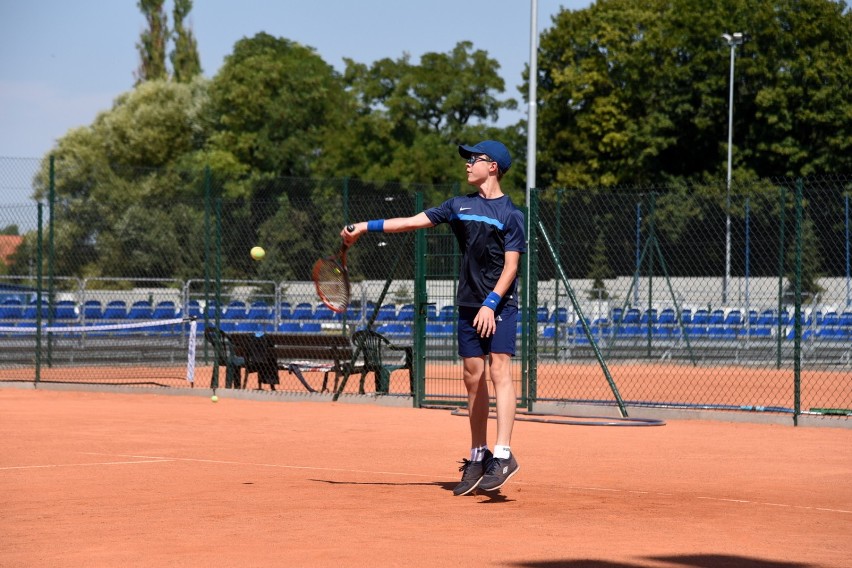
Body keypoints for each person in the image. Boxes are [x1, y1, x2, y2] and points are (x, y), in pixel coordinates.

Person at [341, 140, 526, 495]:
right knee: (473, 378)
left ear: (494, 167)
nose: (468, 164)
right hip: (469, 305)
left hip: (499, 305)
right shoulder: (458, 205)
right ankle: (478, 455)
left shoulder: (511, 215)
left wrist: (490, 303)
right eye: (468, 159)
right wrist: (364, 226)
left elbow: (511, 267)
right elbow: (411, 222)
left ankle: (503, 454)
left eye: (475, 159)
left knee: (499, 369)